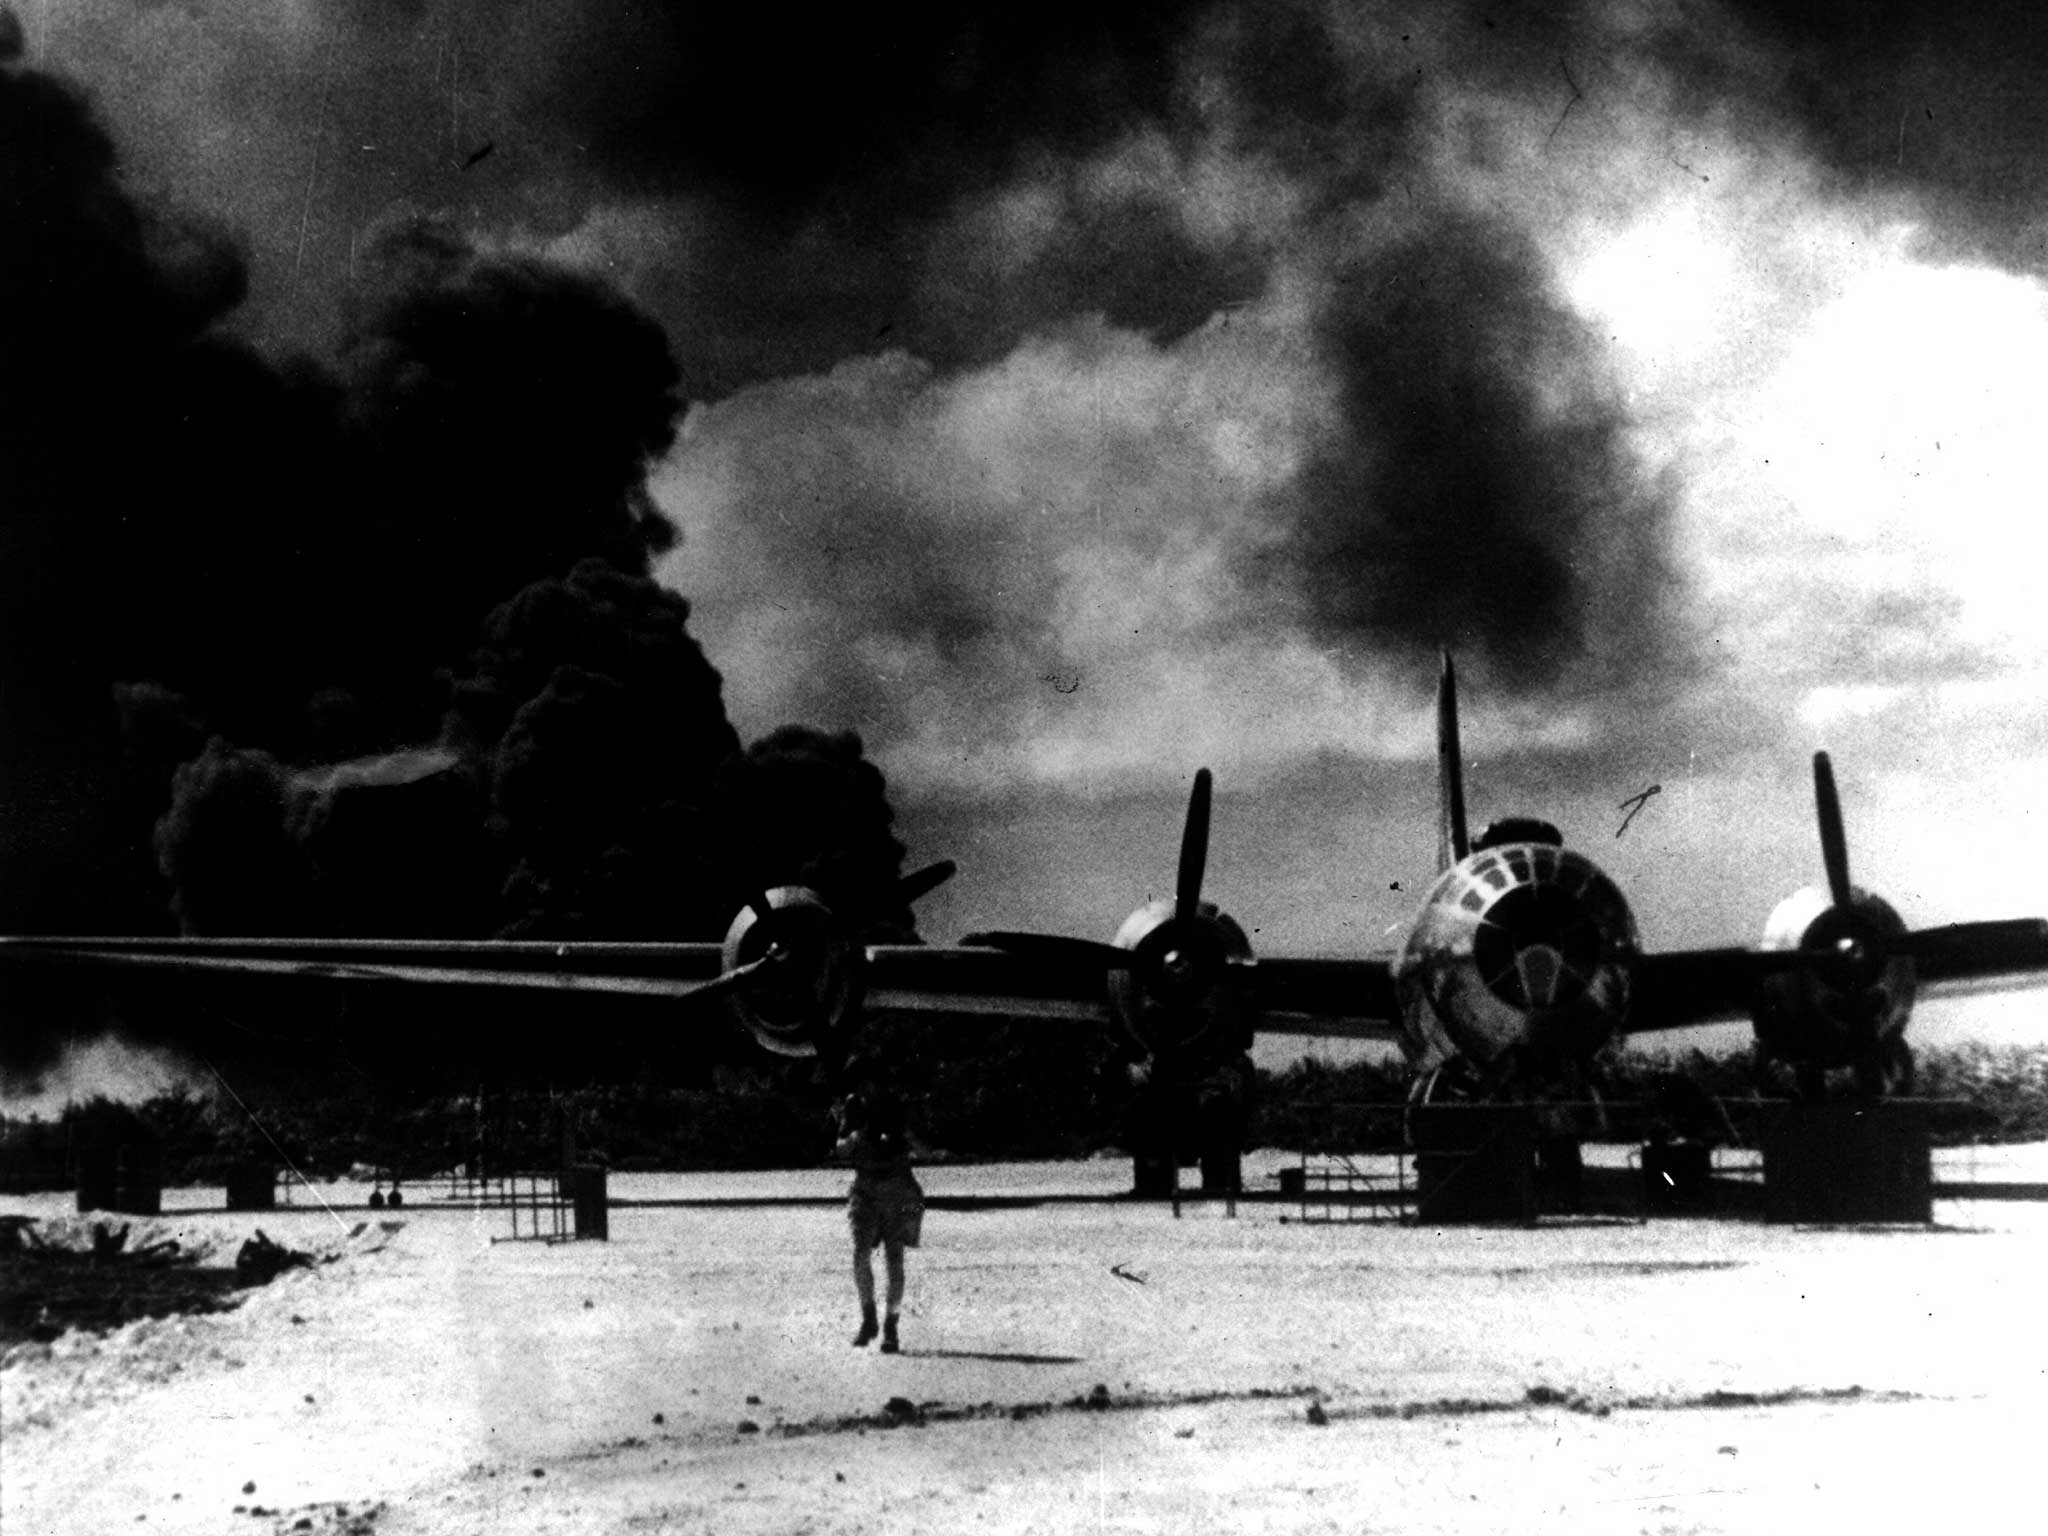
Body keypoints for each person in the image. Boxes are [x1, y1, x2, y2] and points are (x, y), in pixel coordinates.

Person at [831, 1055, 923, 1352]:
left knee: (894, 1258)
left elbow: (913, 1141)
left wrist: (895, 1140)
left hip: (897, 1186)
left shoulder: (896, 1106)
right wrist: (857, 1137)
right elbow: (840, 1148)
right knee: (860, 1253)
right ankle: (870, 1317)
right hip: (866, 1185)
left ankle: (891, 1326)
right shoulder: (853, 1106)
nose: (867, 1088)